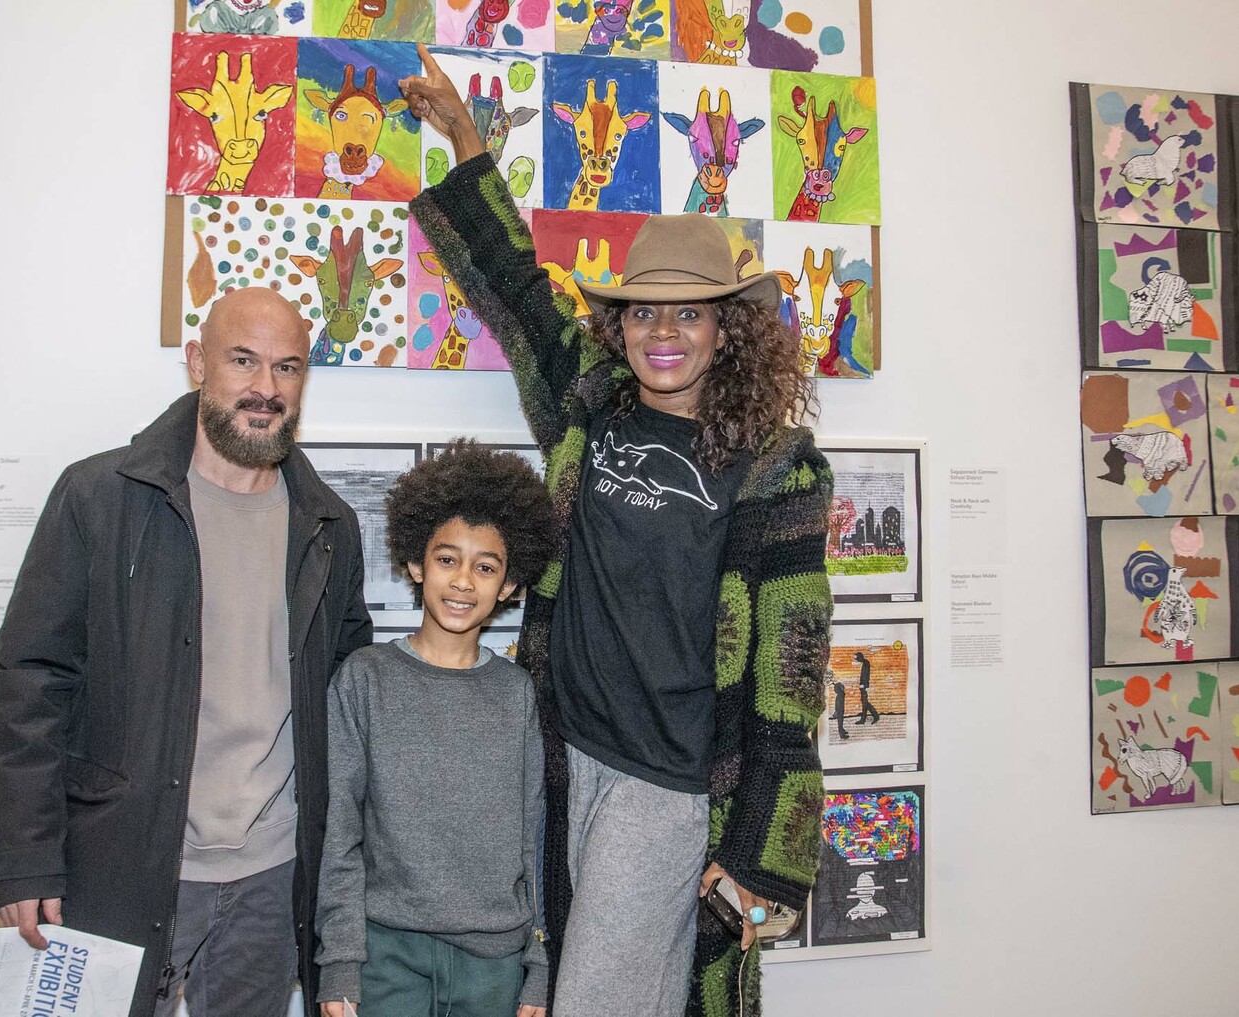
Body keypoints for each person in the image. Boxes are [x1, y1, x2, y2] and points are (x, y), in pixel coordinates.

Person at [400, 45, 834, 1017]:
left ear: (729, 330)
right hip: (558, 754)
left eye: (688, 314)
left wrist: (766, 854)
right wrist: (469, 142)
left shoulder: (776, 466)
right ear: (621, 325)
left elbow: (792, 678)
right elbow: (514, 287)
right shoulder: (586, 410)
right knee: (546, 988)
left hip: (667, 785)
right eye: (644, 312)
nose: (663, 331)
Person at [0, 287, 373, 1017]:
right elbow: (31, 680)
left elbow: (347, 700)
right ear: (197, 363)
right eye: (243, 361)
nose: (266, 388)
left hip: (273, 878)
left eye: (287, 368)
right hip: (123, 863)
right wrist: (20, 856)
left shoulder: (329, 526)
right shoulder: (99, 496)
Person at [315, 441, 558, 1017]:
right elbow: (340, 832)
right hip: (384, 957)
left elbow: (534, 834)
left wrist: (538, 969)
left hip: (494, 965)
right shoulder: (364, 679)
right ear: (416, 564)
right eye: (448, 559)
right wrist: (340, 964)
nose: (463, 582)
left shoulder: (517, 692)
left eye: (486, 566)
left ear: (509, 586)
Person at [855, 650, 880, 725]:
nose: (856, 660)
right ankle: (869, 717)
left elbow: (866, 675)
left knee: (864, 701)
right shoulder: (865, 662)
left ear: (860, 657)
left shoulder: (866, 663)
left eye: (857, 658)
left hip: (864, 685)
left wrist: (864, 685)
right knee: (864, 701)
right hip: (863, 685)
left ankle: (873, 716)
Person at [832, 677, 851, 742]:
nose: (843, 687)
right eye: (842, 687)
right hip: (839, 710)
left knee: (841, 721)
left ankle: (842, 730)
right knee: (840, 722)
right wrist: (836, 711)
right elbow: (837, 704)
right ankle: (841, 734)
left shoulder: (840, 694)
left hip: (840, 709)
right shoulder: (840, 694)